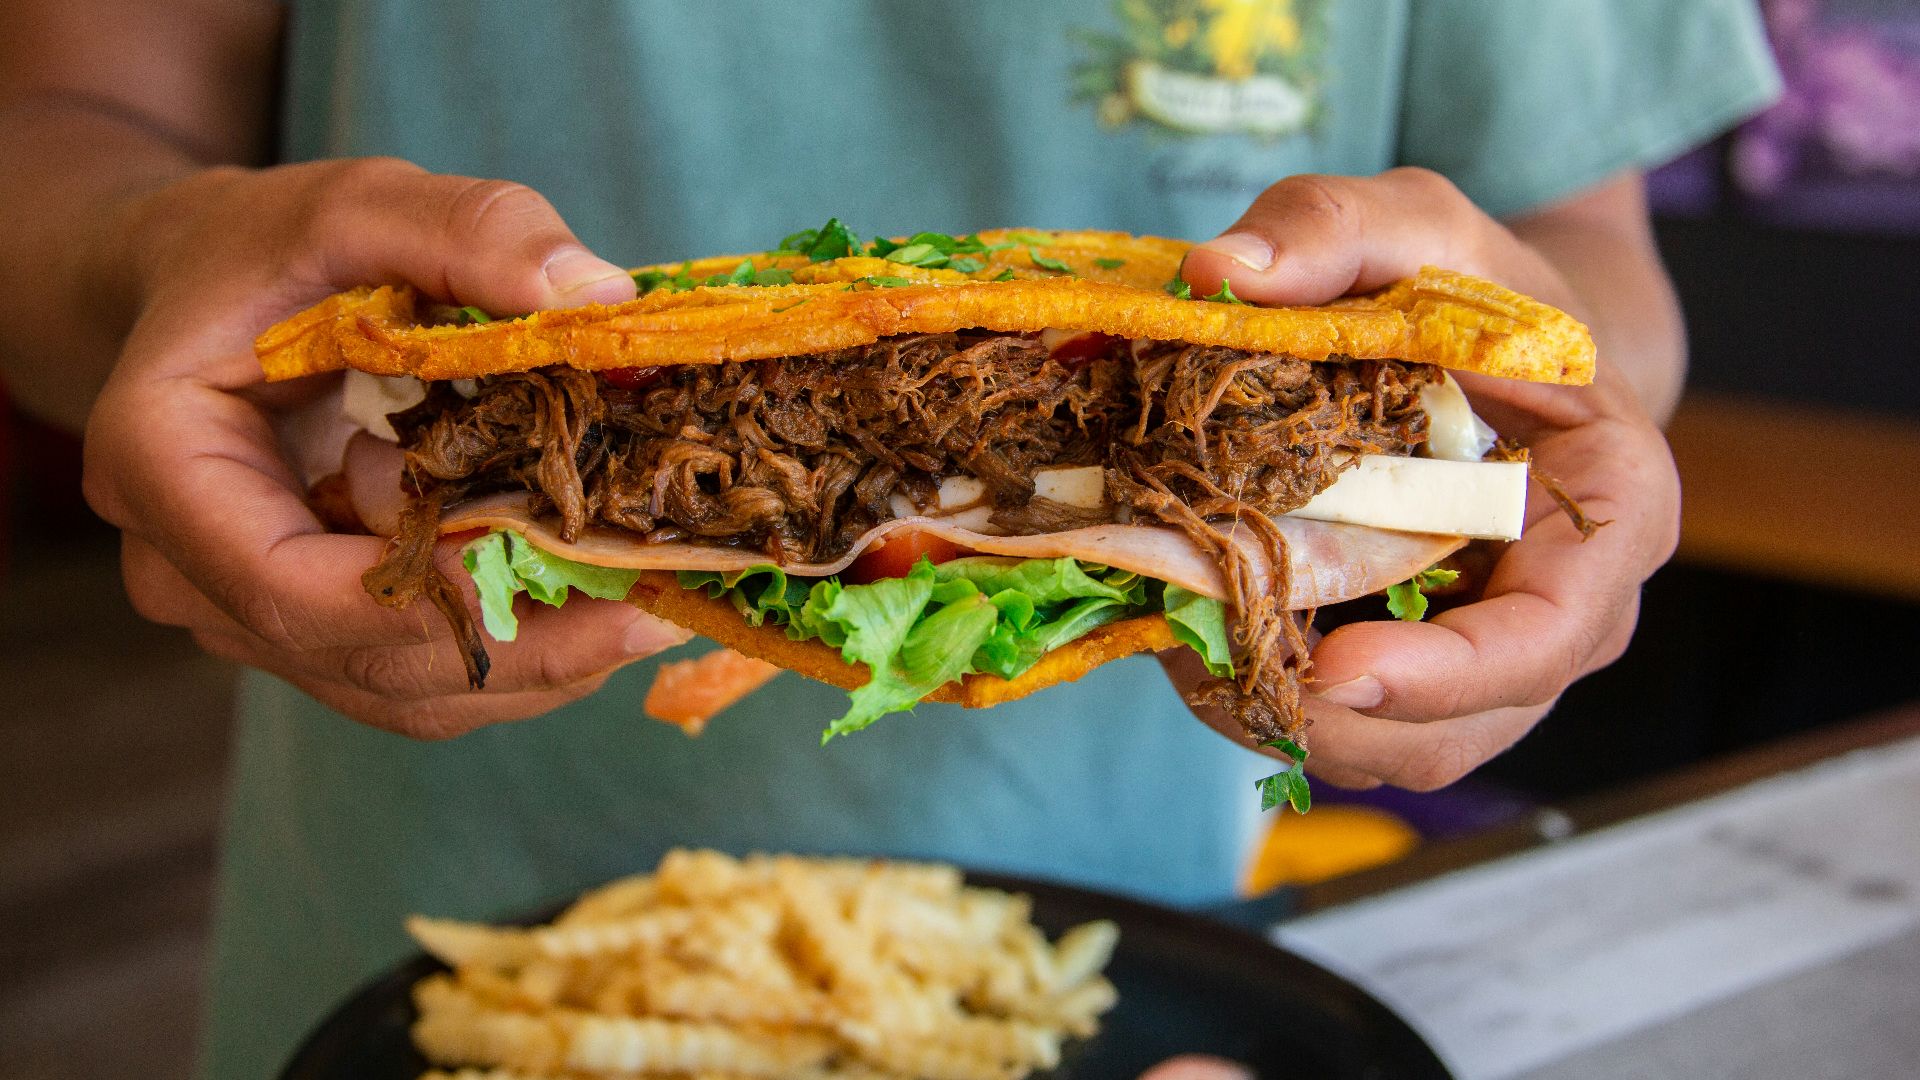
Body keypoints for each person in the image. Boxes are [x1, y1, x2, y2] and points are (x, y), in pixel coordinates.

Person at [0, 1, 1778, 1076]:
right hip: (438, 950)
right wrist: (140, 265)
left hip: (1143, 980)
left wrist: (1566, 383)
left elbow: (1581, 247)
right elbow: (63, 120)